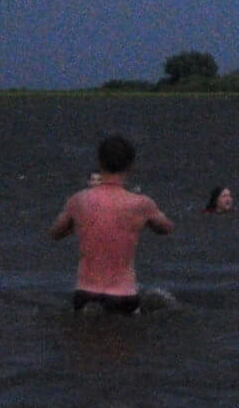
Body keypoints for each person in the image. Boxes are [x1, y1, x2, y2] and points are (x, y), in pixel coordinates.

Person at [49, 134, 172, 313]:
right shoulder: (141, 204)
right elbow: (166, 228)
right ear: (131, 165)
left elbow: (55, 233)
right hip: (123, 295)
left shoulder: (79, 200)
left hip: (85, 292)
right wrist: (143, 218)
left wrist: (80, 223)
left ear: (100, 164)